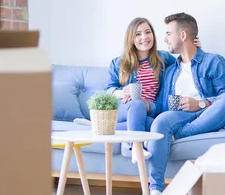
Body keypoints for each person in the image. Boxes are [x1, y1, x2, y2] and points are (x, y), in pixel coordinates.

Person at [145, 12, 225, 195]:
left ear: (183, 35)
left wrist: (201, 103)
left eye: (168, 34)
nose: (164, 39)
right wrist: (142, 104)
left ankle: (178, 135)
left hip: (207, 112)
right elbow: (163, 107)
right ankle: (155, 190)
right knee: (161, 120)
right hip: (178, 116)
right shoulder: (171, 71)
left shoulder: (214, 62)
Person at [77, 17, 198, 162]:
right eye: (138, 34)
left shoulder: (163, 58)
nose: (144, 37)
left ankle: (101, 126)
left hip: (152, 108)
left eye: (148, 32)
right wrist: (123, 92)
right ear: (131, 38)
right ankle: (135, 147)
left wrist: (195, 49)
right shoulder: (119, 62)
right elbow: (109, 89)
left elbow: (184, 65)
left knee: (154, 124)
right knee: (137, 104)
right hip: (125, 107)